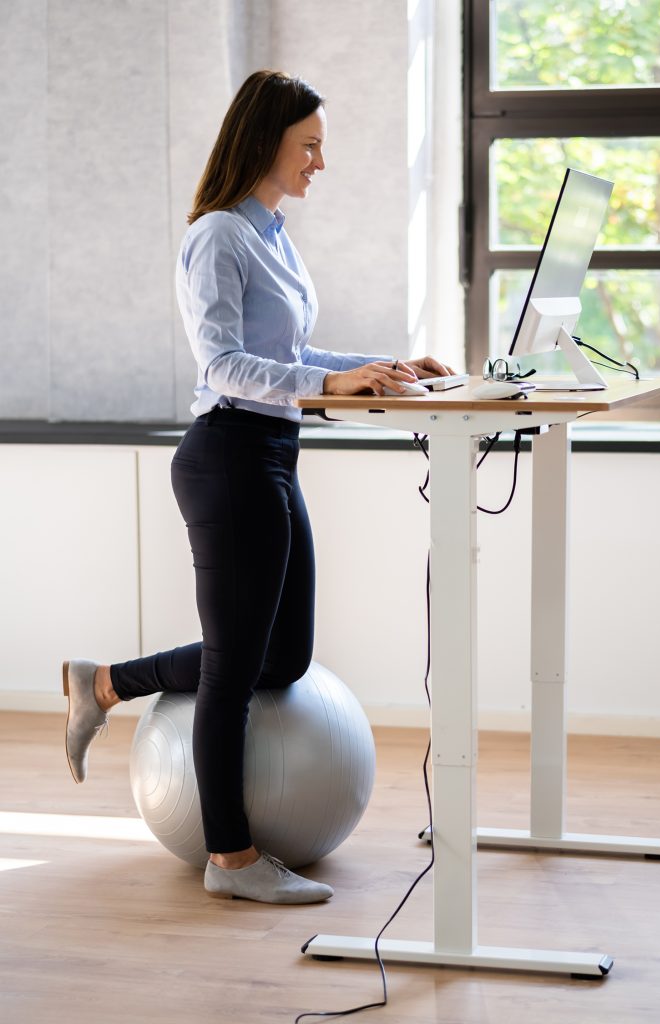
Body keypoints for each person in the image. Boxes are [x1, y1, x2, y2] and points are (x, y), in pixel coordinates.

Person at [62, 69, 455, 906]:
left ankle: (102, 683)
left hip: (272, 453)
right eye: (309, 145)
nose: (321, 161)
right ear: (265, 140)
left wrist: (380, 366)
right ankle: (230, 860)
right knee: (238, 670)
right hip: (228, 457)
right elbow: (224, 365)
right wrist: (339, 386)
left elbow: (295, 355)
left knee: (282, 656)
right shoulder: (217, 237)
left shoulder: (271, 234)